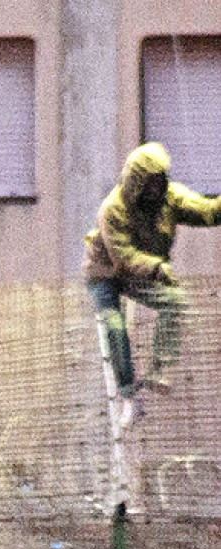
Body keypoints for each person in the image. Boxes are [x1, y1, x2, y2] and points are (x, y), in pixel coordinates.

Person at [84, 142, 221, 428]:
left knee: (176, 302)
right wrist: (157, 268)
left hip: (142, 275)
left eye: (161, 181)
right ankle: (129, 398)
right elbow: (122, 259)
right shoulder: (113, 209)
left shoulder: (170, 199)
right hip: (106, 273)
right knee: (114, 327)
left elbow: (207, 212)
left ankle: (160, 369)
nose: (157, 189)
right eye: (150, 183)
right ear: (137, 183)